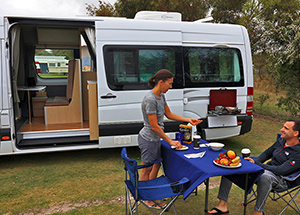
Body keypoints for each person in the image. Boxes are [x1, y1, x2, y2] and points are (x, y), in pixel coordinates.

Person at [208, 119, 300, 215]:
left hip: (283, 180)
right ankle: (222, 205)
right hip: (266, 169)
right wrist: (254, 163)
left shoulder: (298, 152)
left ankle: (257, 212)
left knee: (265, 176)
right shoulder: (282, 140)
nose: (281, 129)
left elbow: (281, 170)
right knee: (232, 164)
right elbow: (267, 153)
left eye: (286, 128)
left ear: (295, 133)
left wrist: (257, 164)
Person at [138, 69, 201, 209]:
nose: (171, 87)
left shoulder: (160, 96)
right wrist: (170, 141)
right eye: (170, 84)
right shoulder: (150, 99)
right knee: (146, 170)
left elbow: (169, 114)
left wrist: (188, 120)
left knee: (157, 165)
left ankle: (152, 193)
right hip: (148, 139)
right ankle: (147, 199)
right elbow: (154, 126)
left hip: (155, 139)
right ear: (161, 82)